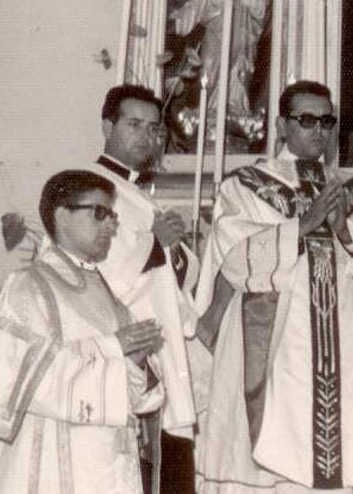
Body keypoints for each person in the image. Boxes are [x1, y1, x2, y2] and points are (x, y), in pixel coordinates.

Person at [193, 80, 353, 493]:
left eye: (327, 121)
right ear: (282, 125)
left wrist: (344, 231)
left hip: (343, 340)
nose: (319, 130)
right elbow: (230, 252)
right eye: (306, 120)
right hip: (274, 337)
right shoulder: (246, 185)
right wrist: (301, 228)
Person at [0, 170, 165, 493]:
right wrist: (113, 349)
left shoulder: (105, 292)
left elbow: (137, 396)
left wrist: (138, 362)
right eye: (99, 213)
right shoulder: (28, 288)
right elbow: (17, 381)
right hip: (48, 459)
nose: (111, 225)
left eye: (111, 215)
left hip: (107, 464)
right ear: (62, 215)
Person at [90, 84, 201, 494]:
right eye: (134, 124)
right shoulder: (91, 188)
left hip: (163, 344)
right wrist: (155, 241)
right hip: (131, 353)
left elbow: (171, 279)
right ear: (107, 126)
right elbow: (100, 275)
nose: (146, 137)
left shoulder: (136, 193)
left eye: (154, 128)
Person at [171, 0, 270, 120]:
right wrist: (181, 16)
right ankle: (207, 108)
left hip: (238, 39)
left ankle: (234, 105)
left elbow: (260, 4)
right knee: (208, 68)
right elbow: (195, 5)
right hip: (214, 37)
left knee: (236, 72)